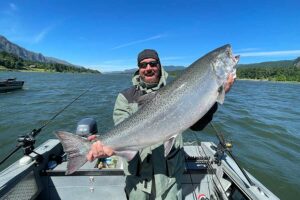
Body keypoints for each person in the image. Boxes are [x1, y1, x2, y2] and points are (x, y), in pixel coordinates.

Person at [87, 49, 235, 199]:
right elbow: (121, 128)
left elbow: (197, 126)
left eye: (152, 63)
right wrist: (110, 146)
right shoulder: (125, 97)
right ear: (139, 69)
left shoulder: (179, 89)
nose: (148, 68)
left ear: (159, 65)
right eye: (143, 65)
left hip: (169, 181)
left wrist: (217, 94)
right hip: (138, 181)